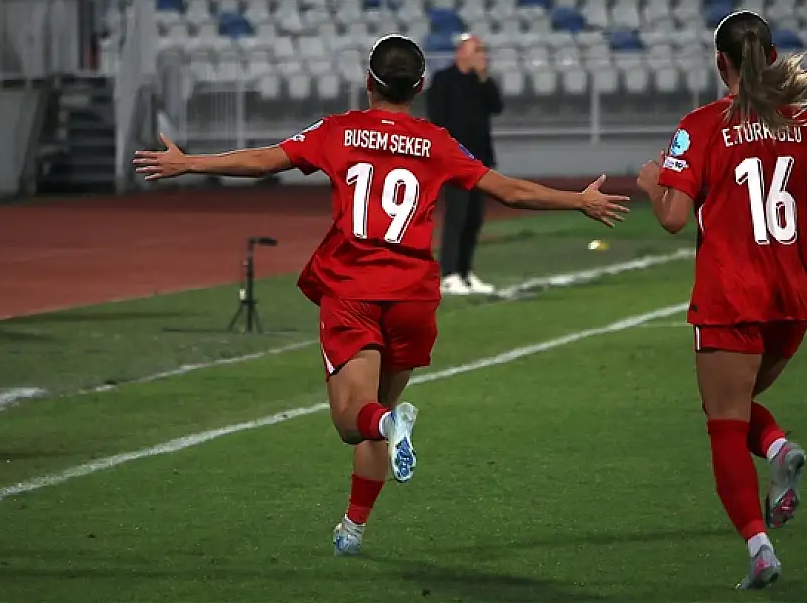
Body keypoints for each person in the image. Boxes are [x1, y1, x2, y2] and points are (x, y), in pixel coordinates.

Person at [134, 34, 630, 556]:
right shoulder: (436, 141)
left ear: (368, 81)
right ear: (420, 86)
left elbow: (264, 161)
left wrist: (190, 163)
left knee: (355, 421)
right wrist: (578, 200)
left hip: (354, 291)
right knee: (378, 412)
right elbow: (508, 190)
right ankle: (353, 528)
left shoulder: (338, 130)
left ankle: (390, 428)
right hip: (413, 297)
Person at [635, 10, 807, 590]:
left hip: (730, 298)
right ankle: (777, 447)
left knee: (723, 421)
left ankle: (760, 547)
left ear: (721, 64)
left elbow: (672, 218)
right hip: (793, 298)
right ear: (771, 58)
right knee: (735, 407)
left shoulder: (701, 126)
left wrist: (650, 184)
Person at [425, 33, 503, 296]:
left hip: (480, 159)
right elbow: (437, 118)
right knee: (457, 215)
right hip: (455, 160)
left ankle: (465, 271)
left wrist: (484, 78)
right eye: (476, 50)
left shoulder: (479, 81)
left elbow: (497, 107)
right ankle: (449, 274)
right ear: (462, 52)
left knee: (474, 217)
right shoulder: (443, 80)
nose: (482, 56)